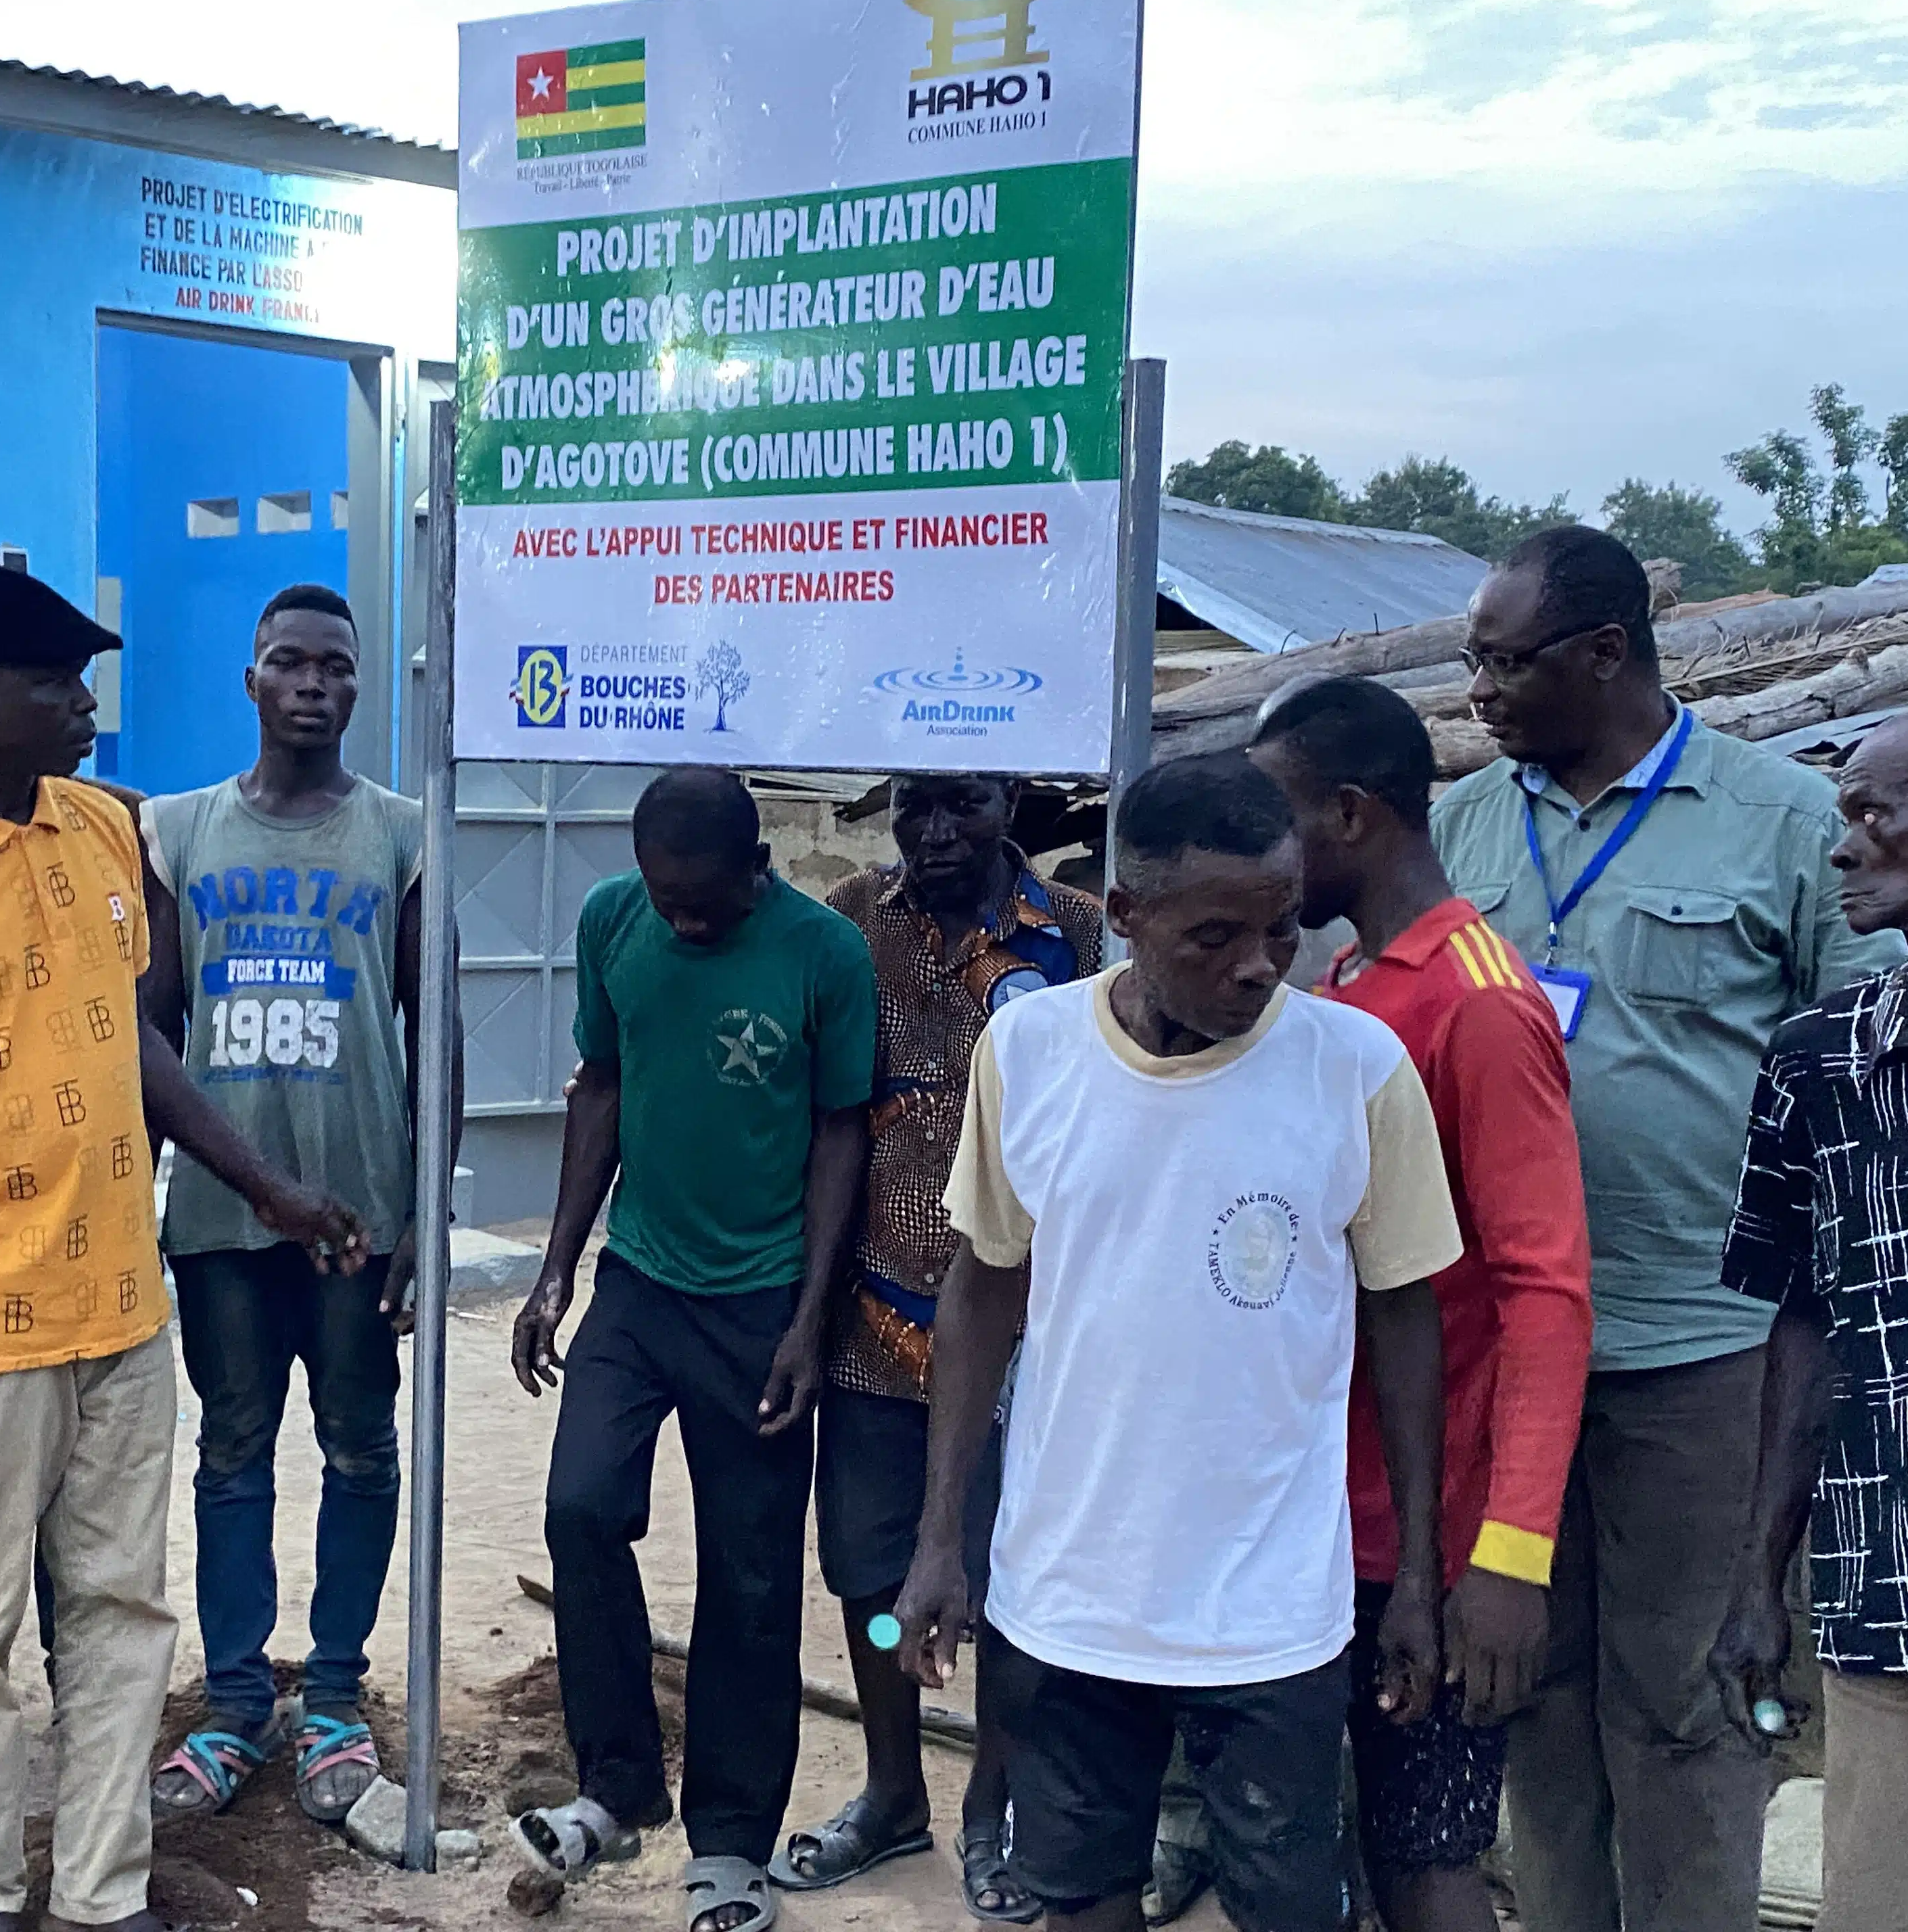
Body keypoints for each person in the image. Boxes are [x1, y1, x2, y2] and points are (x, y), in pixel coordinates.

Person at [0, 563, 363, 1932]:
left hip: (123, 1304)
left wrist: (269, 1186)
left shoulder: (106, 834)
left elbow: (141, 1050)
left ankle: (109, 1895)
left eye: (84, 678)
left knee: (121, 1614)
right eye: (56, 684)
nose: (85, 706)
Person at [896, 751, 1460, 1932]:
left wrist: (1416, 1577)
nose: (1261, 966)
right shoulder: (1031, 1054)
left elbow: (1407, 1316)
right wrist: (944, 1537)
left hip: (1273, 1612)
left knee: (1290, 1907)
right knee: (1079, 1899)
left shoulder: (1356, 1072)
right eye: (1215, 938)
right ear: (1127, 916)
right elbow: (985, 1287)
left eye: (1280, 927)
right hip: (1067, 1598)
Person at [1431, 526, 1902, 1932]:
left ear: (1606, 655)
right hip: (1511, 1353)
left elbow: (1864, 1081)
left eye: (1504, 662)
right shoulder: (1464, 825)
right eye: (1471, 660)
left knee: (1688, 1706)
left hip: (1705, 1348)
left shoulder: (1785, 821)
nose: (1478, 692)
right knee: (1529, 1693)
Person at [1249, 678, 1592, 1932]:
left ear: (1345, 816)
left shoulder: (1481, 1005)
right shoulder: (1351, 979)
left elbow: (1547, 1294)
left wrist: (1504, 1559)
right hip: (1320, 1516)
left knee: (1427, 1852)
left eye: (1274, 817)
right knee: (1315, 1850)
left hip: (1426, 1535)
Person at [507, 765, 875, 1932]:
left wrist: (812, 1321)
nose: (681, 918)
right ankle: (618, 1790)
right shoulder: (616, 918)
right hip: (639, 1283)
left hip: (762, 1302)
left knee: (752, 1578)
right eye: (664, 894)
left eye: (702, 901)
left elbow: (838, 1136)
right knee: (579, 1509)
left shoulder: (824, 954)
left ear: (753, 866)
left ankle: (730, 1844)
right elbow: (602, 1089)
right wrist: (555, 1269)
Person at [139, 582, 457, 1824]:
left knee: (361, 1447)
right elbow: (153, 1032)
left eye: (336, 666)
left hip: (357, 1215)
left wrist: (425, 1211)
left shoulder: (401, 831)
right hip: (222, 1214)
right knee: (229, 1449)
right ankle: (231, 1705)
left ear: (360, 685)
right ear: (252, 680)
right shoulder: (179, 830)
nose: (313, 683)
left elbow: (434, 1029)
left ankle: (332, 1694)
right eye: (289, 663)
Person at [772, 773, 1100, 1923]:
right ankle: (894, 1790)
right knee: (872, 1575)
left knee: (1003, 1584)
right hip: (873, 1319)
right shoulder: (854, 921)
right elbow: (829, 1120)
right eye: (916, 805)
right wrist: (808, 1320)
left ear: (1011, 801)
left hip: (1024, 1330)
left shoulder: (1080, 934)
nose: (936, 832)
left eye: (963, 804)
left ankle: (990, 1813)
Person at [1706, 703, 1908, 1932]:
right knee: (1894, 1904)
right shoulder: (1824, 1058)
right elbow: (1802, 1324)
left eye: (1876, 813)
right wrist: (1758, 1575)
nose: (1845, 845)